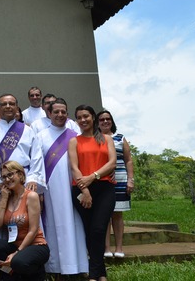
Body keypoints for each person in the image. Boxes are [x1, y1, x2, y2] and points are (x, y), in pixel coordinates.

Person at [38, 99, 88, 276]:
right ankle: (55, 268)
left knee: (74, 224)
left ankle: (77, 266)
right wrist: (39, 191)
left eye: (63, 112)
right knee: (53, 224)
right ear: (49, 114)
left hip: (72, 187)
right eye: (56, 112)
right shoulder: (41, 136)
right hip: (50, 190)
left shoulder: (75, 135)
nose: (60, 115)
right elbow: (37, 165)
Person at [69, 105, 116, 281]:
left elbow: (112, 163)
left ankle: (94, 273)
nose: (83, 120)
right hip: (81, 189)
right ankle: (100, 273)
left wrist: (93, 176)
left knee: (98, 228)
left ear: (93, 117)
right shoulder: (74, 141)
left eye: (86, 116)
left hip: (104, 188)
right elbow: (74, 167)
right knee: (89, 230)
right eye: (79, 117)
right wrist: (85, 189)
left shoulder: (106, 139)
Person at [0, 161, 50, 281]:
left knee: (18, 261)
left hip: (35, 245)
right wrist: (4, 198)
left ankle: (36, 275)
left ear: (20, 175)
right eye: (4, 177)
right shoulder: (5, 196)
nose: (7, 179)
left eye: (10, 175)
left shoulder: (31, 196)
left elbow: (33, 230)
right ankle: (11, 272)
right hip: (15, 245)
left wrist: (16, 253)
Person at [98, 110, 134, 259]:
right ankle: (106, 248)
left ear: (112, 121)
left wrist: (130, 179)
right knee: (104, 215)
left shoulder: (120, 138)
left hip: (120, 179)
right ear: (97, 123)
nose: (105, 121)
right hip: (102, 180)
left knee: (117, 215)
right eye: (102, 119)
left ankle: (119, 248)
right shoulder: (96, 139)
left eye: (108, 119)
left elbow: (128, 160)